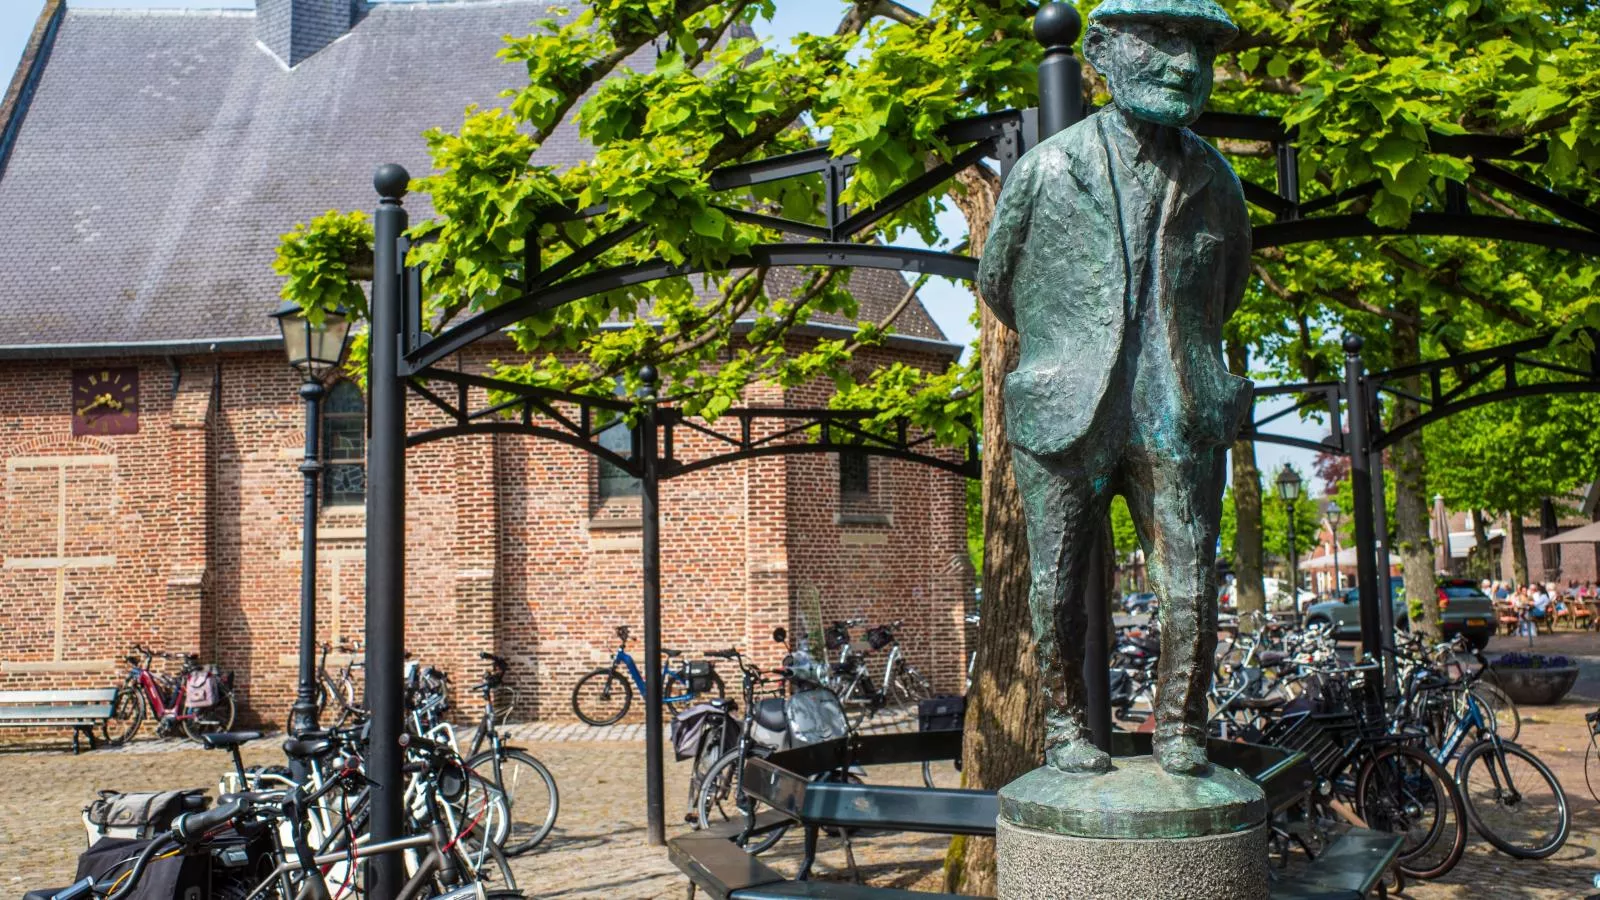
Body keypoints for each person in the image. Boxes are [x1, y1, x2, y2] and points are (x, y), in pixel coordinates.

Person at [978, 0, 1249, 775]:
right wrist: (1072, 344)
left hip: (1179, 405)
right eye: (1161, 41)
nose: (1183, 65)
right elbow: (1001, 282)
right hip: (1070, 406)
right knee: (1056, 583)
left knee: (1192, 581)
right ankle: (1063, 726)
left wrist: (1183, 356)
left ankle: (1182, 727)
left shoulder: (1214, 178)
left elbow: (1229, 281)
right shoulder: (1047, 170)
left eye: (1198, 48)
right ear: (1100, 48)